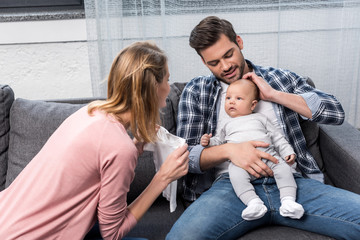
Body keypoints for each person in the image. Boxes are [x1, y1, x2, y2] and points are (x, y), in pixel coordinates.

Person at [166, 16, 360, 239]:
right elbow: (184, 157)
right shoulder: (197, 91)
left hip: (291, 181)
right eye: (214, 62)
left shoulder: (280, 79)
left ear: (239, 42)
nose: (225, 66)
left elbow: (335, 112)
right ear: (204, 62)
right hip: (230, 187)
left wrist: (274, 95)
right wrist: (229, 151)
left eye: (228, 54)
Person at [0, 41, 189, 240]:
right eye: (167, 80)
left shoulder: (90, 113)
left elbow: (86, 175)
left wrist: (133, 149)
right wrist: (162, 179)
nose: (169, 88)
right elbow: (112, 234)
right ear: (152, 88)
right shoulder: (119, 148)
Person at [200, 79, 304, 221]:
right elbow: (218, 142)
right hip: (240, 164)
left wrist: (287, 152)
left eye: (238, 98)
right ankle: (253, 203)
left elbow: (277, 137)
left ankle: (288, 201)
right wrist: (208, 142)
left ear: (253, 104)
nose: (231, 102)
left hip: (269, 157)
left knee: (284, 170)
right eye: (228, 98)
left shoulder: (260, 118)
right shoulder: (226, 124)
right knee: (235, 175)